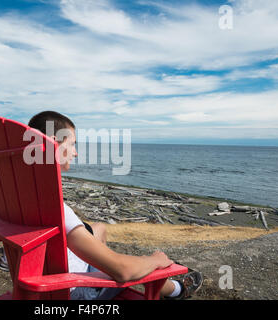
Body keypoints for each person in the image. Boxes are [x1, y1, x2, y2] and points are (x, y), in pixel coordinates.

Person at [28, 111, 203, 300]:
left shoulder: (21, 194)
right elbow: (122, 271)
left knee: (100, 233)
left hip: (38, 280)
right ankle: (177, 290)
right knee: (130, 264)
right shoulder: (56, 209)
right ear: (54, 143)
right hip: (74, 291)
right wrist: (154, 260)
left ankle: (171, 287)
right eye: (72, 144)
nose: (75, 152)